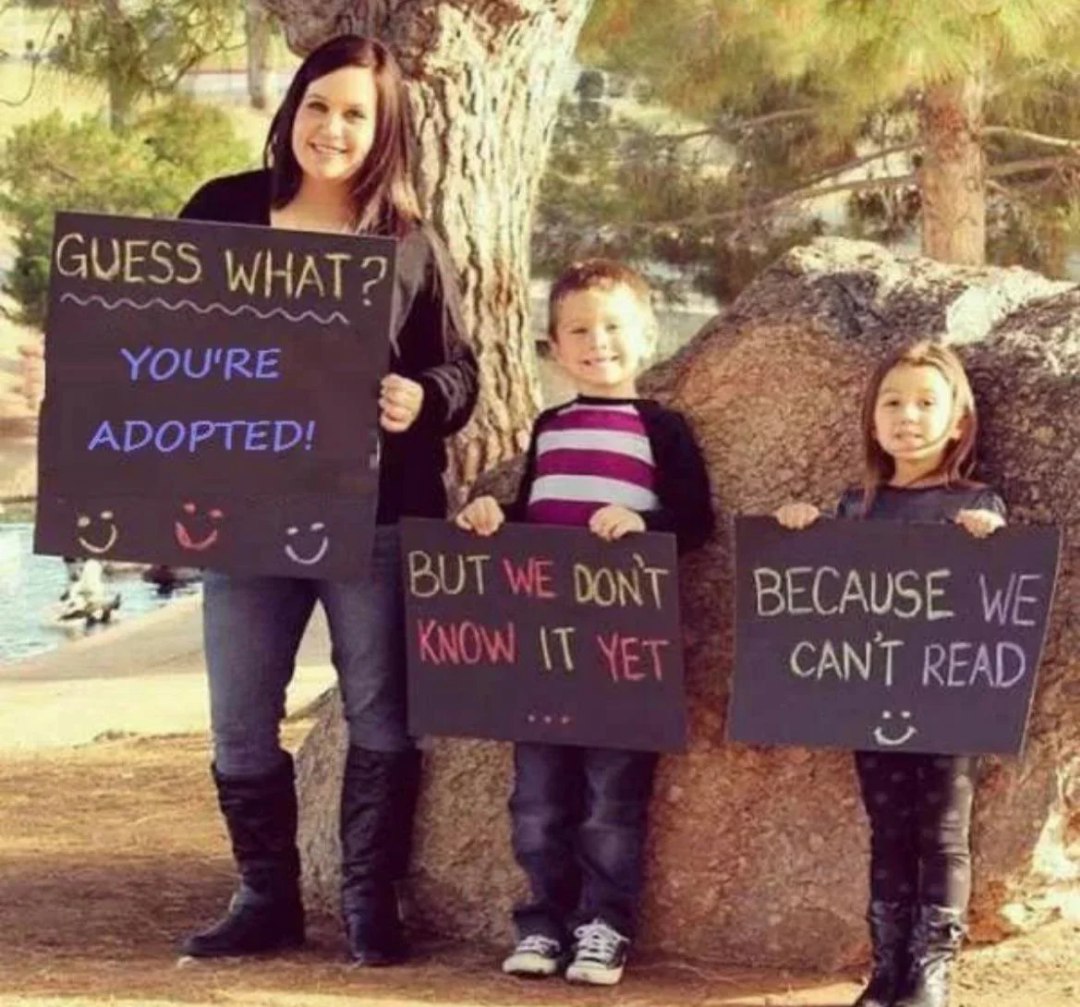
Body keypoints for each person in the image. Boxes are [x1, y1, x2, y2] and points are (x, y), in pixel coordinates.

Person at [176, 34, 478, 966]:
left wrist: (420, 396)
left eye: (356, 113)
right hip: (244, 510)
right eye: (319, 104)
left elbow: (460, 372)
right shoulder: (223, 209)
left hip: (375, 514)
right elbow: (144, 335)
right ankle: (265, 897)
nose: (332, 127)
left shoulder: (407, 243)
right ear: (292, 108)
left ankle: (366, 902)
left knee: (382, 713)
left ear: (383, 132)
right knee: (237, 718)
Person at [455, 259, 714, 985]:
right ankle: (543, 921)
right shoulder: (551, 425)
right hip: (541, 654)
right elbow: (537, 517)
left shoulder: (662, 427)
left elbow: (696, 521)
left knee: (610, 802)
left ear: (647, 335)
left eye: (613, 326)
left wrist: (641, 518)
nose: (597, 341)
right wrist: (492, 515)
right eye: (579, 330)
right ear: (555, 347)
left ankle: (604, 923)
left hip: (623, 657)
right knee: (536, 800)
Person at [775, 341, 1006, 1007]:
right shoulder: (857, 507)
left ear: (958, 420)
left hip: (951, 703)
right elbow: (825, 587)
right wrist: (801, 528)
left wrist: (989, 534)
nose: (909, 415)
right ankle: (889, 965)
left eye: (927, 402)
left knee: (942, 832)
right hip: (870, 695)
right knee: (889, 828)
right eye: (893, 402)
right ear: (873, 419)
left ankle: (933, 970)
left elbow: (999, 594)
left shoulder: (977, 500)